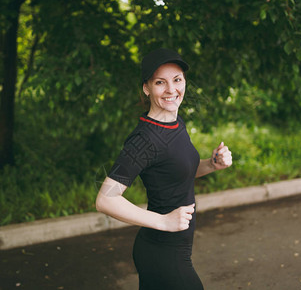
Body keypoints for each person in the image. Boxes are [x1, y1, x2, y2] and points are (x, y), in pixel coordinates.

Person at [96, 48, 232, 290]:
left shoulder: (175, 122)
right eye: (161, 82)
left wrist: (212, 164)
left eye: (177, 80)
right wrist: (163, 221)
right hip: (162, 253)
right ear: (147, 88)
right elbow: (106, 200)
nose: (171, 90)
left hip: (174, 249)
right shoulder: (144, 140)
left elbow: (176, 174)